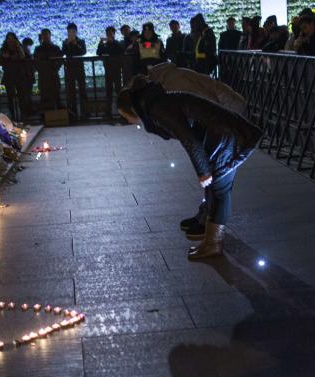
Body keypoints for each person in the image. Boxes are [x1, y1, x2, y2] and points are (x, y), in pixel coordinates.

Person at [118, 76, 262, 260]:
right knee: (215, 190)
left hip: (225, 138)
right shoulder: (157, 102)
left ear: (131, 109)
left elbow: (188, 139)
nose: (129, 121)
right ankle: (210, 240)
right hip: (219, 137)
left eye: (126, 117)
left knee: (219, 191)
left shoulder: (158, 108)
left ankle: (214, 245)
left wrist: (203, 171)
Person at [146, 61, 249, 239]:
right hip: (219, 120)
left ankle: (211, 228)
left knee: (218, 179)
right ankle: (205, 216)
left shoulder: (173, 83)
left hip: (229, 117)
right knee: (212, 176)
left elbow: (207, 103)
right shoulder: (167, 79)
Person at [61, 22, 89, 119]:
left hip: (79, 68)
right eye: (69, 31)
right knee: (70, 91)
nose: (71, 33)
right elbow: (62, 52)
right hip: (69, 68)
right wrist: (68, 43)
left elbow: (83, 52)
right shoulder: (65, 42)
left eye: (73, 31)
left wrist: (76, 44)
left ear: (76, 32)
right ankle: (72, 113)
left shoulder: (81, 41)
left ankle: (85, 112)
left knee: (82, 90)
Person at [0, 32, 27, 120]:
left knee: (22, 96)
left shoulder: (19, 48)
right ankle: (13, 116)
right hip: (9, 75)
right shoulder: (3, 49)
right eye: (9, 39)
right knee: (10, 97)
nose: (10, 40)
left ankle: (22, 115)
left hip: (19, 74)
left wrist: (18, 46)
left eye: (12, 38)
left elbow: (23, 56)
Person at [97, 26, 125, 116]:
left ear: (114, 34)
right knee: (108, 91)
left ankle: (123, 111)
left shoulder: (117, 43)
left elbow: (121, 51)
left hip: (116, 69)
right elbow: (98, 53)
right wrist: (100, 44)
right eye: (108, 33)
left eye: (111, 33)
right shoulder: (104, 44)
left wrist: (113, 42)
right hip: (108, 69)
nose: (109, 35)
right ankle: (108, 111)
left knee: (118, 90)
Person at [34, 28, 64, 110]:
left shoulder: (55, 48)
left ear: (50, 36)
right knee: (45, 96)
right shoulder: (38, 49)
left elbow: (60, 60)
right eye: (44, 35)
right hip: (44, 76)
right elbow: (36, 62)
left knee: (56, 95)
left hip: (52, 75)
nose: (45, 37)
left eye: (47, 35)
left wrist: (54, 68)